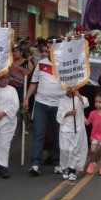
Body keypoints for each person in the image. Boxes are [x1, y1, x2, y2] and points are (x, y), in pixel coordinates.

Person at [24, 42, 67, 176]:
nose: (49, 50)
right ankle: (36, 163)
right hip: (41, 104)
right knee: (39, 133)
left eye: (51, 48)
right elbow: (34, 83)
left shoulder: (66, 63)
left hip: (59, 105)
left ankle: (57, 162)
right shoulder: (41, 64)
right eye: (47, 48)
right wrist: (26, 98)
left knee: (58, 135)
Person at [56, 88, 89, 182]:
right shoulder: (62, 101)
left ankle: (71, 170)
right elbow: (59, 116)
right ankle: (65, 168)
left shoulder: (80, 99)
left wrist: (77, 95)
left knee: (74, 150)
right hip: (65, 128)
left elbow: (85, 104)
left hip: (77, 129)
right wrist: (69, 113)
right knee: (64, 148)